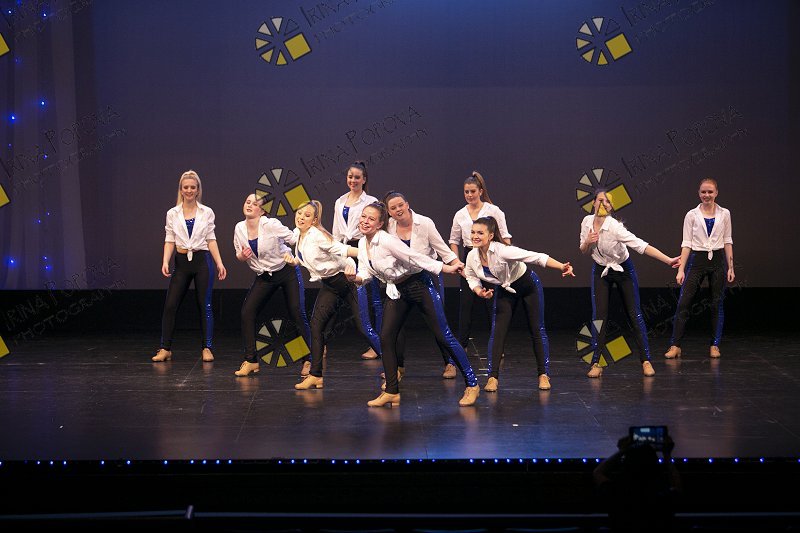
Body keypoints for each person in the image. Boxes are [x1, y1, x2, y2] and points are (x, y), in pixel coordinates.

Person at [348, 202, 480, 407]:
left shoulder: (387, 240)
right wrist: (355, 278)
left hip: (418, 285)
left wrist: (445, 268)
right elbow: (366, 272)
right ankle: (392, 391)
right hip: (397, 290)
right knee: (386, 338)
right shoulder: (363, 244)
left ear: (380, 224)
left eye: (371, 219)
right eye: (364, 217)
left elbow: (414, 257)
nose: (365, 221)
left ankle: (472, 384)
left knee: (443, 336)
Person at [465, 216, 574, 392]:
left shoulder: (503, 251)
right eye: (473, 232)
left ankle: (543, 374)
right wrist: (479, 291)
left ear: (491, 235)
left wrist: (562, 267)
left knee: (536, 329)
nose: (475, 236)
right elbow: (471, 276)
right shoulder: (472, 256)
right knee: (497, 332)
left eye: (480, 233)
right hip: (505, 290)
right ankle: (492, 377)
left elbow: (535, 257)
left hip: (528, 286)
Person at [579, 191, 680, 378]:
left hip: (623, 270)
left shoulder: (615, 227)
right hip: (600, 270)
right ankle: (596, 363)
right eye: (600, 200)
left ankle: (646, 360)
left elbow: (641, 245)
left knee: (634, 314)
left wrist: (668, 260)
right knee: (599, 317)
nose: (604, 203)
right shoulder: (586, 222)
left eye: (608, 201)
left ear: (611, 207)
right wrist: (587, 241)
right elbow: (583, 249)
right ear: (593, 203)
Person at [290, 200, 380, 391]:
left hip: (347, 281)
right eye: (299, 213)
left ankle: (395, 366)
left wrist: (371, 254)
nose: (301, 217)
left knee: (364, 328)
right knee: (316, 326)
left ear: (315, 220)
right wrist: (294, 261)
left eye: (307, 215)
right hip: (330, 285)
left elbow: (343, 249)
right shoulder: (298, 234)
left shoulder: (317, 236)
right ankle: (315, 375)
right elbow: (306, 256)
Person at [385, 191, 464, 380]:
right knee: (395, 327)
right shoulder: (388, 227)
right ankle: (397, 367)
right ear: (388, 212)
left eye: (400, 205)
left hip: (425, 277)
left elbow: (443, 250)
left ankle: (449, 363)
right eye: (393, 208)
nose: (398, 210)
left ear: (407, 204)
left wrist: (457, 264)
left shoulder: (425, 223)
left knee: (438, 325)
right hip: (400, 281)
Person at [231, 194, 312, 377]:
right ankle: (251, 360)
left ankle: (309, 359)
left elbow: (294, 238)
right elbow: (238, 253)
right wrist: (242, 256)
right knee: (247, 312)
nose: (250, 205)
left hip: (286, 271)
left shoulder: (271, 224)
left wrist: (305, 227)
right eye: (248, 202)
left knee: (296, 312)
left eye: (255, 204)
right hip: (264, 276)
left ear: (262, 211)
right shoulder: (239, 228)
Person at [153, 170, 227, 362]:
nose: (189, 190)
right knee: (171, 305)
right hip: (181, 261)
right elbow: (169, 239)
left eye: (192, 187)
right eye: (185, 187)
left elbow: (211, 239)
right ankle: (165, 348)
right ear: (181, 189)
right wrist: (165, 260)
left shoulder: (206, 212)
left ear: (198, 190)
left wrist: (219, 263)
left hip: (202, 261)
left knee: (204, 304)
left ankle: (207, 348)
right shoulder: (172, 213)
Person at [664, 178, 734, 359]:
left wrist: (731, 267)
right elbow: (686, 243)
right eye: (703, 192)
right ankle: (675, 345)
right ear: (699, 193)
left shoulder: (724, 213)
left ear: (716, 193)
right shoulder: (692, 215)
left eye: (710, 192)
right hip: (697, 260)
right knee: (683, 303)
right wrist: (681, 269)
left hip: (717, 261)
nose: (707, 195)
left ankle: (715, 345)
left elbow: (728, 241)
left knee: (716, 304)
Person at [449, 171, 512, 351]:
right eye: (466, 192)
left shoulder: (493, 211)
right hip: (470, 257)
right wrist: (457, 262)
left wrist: (506, 259)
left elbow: (505, 237)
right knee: (466, 304)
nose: (469, 195)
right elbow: (454, 241)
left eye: (472, 191)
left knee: (492, 304)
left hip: (491, 256)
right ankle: (462, 346)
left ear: (481, 191)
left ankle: (497, 347)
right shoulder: (460, 214)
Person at [332, 161, 382, 360]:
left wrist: (370, 251)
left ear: (364, 179)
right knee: (336, 294)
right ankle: (322, 342)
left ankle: (377, 344)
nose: (353, 180)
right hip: (344, 250)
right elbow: (336, 230)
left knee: (370, 296)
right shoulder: (339, 201)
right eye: (350, 176)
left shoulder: (370, 201)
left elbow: (375, 227)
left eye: (357, 177)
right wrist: (336, 252)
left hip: (363, 246)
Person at [593, 433, 682, 533]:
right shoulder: (663, 497)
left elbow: (598, 472)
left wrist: (623, 451)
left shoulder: (616, 493)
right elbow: (677, 486)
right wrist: (667, 455)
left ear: (626, 465)